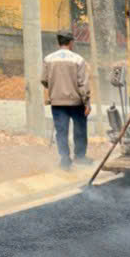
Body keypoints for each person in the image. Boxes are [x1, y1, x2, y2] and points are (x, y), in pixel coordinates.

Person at [41, 30, 91, 169]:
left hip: (57, 102)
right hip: (76, 102)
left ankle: (65, 160)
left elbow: (44, 80)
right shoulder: (78, 59)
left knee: (61, 131)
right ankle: (80, 157)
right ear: (71, 42)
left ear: (58, 42)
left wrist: (55, 88)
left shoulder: (48, 59)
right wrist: (87, 102)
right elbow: (83, 83)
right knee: (80, 129)